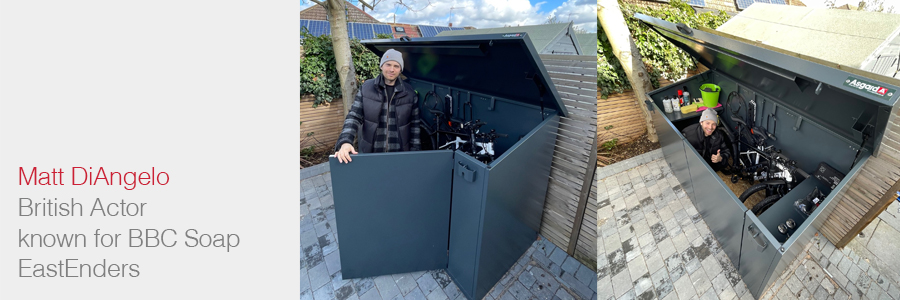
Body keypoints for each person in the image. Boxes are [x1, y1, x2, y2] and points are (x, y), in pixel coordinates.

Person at [334, 49, 421, 163]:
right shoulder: (366, 88)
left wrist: (415, 152)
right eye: (388, 64)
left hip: (399, 154)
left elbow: (415, 125)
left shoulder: (409, 93)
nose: (391, 69)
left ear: (400, 70)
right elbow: (354, 116)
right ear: (381, 66)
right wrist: (345, 141)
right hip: (371, 154)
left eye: (396, 66)